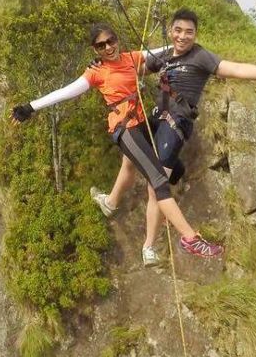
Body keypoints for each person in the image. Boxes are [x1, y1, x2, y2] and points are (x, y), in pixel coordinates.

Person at [89, 7, 256, 254]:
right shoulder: (164, 56)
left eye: (189, 32)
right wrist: (103, 62)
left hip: (174, 126)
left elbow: (236, 69)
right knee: (129, 156)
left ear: (195, 34)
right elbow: (127, 69)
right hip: (156, 120)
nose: (183, 36)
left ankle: (150, 247)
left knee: (155, 186)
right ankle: (110, 202)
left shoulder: (200, 56)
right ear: (171, 31)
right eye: (178, 30)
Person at [11, 21, 223, 265]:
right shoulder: (96, 72)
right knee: (159, 180)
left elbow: (162, 51)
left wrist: (190, 46)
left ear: (117, 39)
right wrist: (31, 107)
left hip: (142, 122)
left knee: (133, 166)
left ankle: (109, 202)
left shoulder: (131, 58)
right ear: (95, 50)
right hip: (125, 129)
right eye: (101, 45)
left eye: (111, 41)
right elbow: (66, 91)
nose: (108, 47)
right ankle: (189, 238)